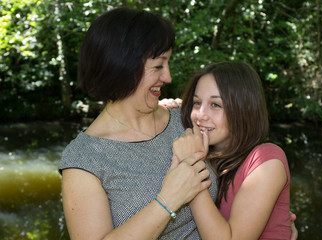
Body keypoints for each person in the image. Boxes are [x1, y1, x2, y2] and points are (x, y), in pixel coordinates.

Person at [59, 7, 216, 239]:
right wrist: (168, 199)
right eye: (158, 66)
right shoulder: (84, 160)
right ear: (122, 67)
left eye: (168, 63)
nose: (168, 77)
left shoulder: (184, 119)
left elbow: (238, 169)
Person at [172, 61, 293, 239]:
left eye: (215, 105)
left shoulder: (267, 160)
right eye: (197, 103)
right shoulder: (209, 156)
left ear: (243, 109)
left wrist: (190, 169)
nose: (200, 114)